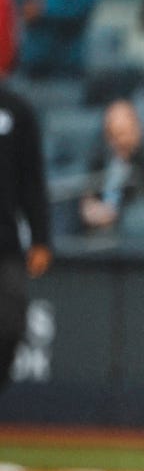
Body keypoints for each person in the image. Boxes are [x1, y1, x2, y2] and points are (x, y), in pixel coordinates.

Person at [0, 79, 52, 393]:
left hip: (5, 243)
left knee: (11, 326)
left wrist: (41, 238)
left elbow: (32, 179)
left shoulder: (17, 110)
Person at [77, 99, 144, 234]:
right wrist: (87, 207)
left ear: (137, 130)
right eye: (112, 134)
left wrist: (114, 214)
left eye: (123, 133)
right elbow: (87, 195)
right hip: (93, 234)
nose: (118, 141)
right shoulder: (98, 159)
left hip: (133, 236)